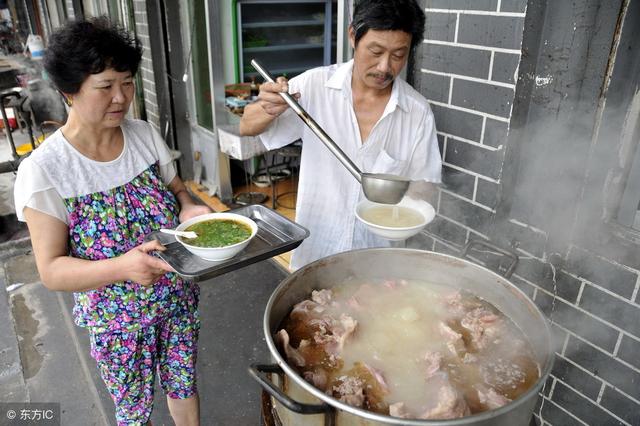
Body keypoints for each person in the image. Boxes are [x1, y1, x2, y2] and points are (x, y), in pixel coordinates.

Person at [13, 18, 210, 426]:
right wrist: (124, 267)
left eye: (127, 83)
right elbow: (51, 270)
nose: (120, 98)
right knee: (134, 412)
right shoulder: (46, 171)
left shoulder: (141, 134)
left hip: (176, 298)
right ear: (69, 91)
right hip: (117, 323)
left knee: (183, 386)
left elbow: (177, 190)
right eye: (105, 86)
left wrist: (189, 206)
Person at [240, 0, 442, 270]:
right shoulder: (314, 86)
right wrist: (267, 107)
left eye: (398, 55)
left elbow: (425, 183)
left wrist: (411, 208)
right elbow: (247, 126)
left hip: (379, 262)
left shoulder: (417, 112)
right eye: (376, 51)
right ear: (352, 36)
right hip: (316, 253)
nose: (384, 67)